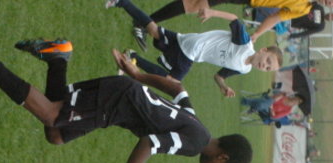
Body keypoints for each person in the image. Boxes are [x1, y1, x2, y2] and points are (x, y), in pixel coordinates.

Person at [0, 39, 253, 163]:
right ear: (223, 157)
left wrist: (138, 75)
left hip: (119, 99)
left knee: (56, 134)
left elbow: (178, 88)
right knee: (52, 116)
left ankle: (57, 57)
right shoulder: (194, 145)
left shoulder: (199, 127)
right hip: (115, 101)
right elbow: (149, 144)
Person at [106, 0, 282, 98]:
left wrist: (224, 87)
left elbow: (219, 76)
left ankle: (122, 3)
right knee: (173, 83)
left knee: (153, 30)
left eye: (268, 68)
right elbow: (235, 19)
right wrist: (212, 12)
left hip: (189, 43)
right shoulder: (244, 44)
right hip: (192, 50)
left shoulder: (244, 69)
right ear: (262, 50)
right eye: (268, 60)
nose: (264, 66)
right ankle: (132, 59)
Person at [138, 0, 333, 44]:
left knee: (195, 4)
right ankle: (144, 24)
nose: (331, 2)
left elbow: (275, 17)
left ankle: (144, 23)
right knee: (195, 4)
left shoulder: (305, 8)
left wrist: (258, 33)